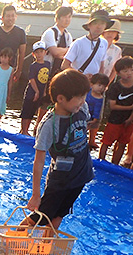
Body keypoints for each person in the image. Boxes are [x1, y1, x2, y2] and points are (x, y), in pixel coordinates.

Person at [23, 69, 93, 230]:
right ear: (60, 98)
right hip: (60, 181)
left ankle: (47, 249)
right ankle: (10, 241)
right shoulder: (49, 125)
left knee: (59, 214)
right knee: (41, 216)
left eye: (84, 96)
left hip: (81, 175)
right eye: (79, 97)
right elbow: (39, 160)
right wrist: (35, 194)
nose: (83, 101)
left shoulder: (81, 109)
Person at [36, 6, 73, 133]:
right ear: (58, 18)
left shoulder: (68, 35)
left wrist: (64, 51)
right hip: (46, 70)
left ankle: (49, 128)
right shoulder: (50, 32)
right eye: (64, 17)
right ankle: (37, 127)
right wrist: (66, 51)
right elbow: (55, 52)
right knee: (42, 100)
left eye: (69, 17)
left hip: (60, 71)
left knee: (55, 99)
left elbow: (69, 54)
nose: (67, 20)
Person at [99, 56, 133, 165]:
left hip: (129, 120)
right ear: (118, 73)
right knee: (106, 142)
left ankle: (115, 164)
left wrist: (130, 118)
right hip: (115, 119)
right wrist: (129, 107)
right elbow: (113, 106)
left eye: (132, 70)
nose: (129, 73)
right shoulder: (115, 87)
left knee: (123, 143)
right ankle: (101, 161)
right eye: (125, 71)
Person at [62, 10, 113, 79]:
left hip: (94, 84)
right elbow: (64, 65)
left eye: (102, 23)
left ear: (105, 26)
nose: (99, 26)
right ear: (89, 25)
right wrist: (81, 76)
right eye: (95, 23)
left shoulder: (104, 43)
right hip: (77, 82)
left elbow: (101, 65)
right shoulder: (78, 43)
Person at [19, 41, 51, 136]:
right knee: (27, 111)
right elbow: (31, 79)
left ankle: (29, 130)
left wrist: (44, 91)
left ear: (45, 52)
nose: (39, 54)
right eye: (37, 52)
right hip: (32, 91)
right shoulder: (34, 66)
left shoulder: (48, 64)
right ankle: (24, 130)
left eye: (41, 51)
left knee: (33, 110)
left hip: (41, 90)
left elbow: (46, 78)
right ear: (33, 54)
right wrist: (36, 91)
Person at [86, 73, 109, 149]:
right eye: (99, 85)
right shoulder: (87, 91)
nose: (101, 88)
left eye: (104, 87)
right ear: (92, 85)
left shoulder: (99, 99)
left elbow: (97, 111)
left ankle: (90, 141)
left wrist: (95, 120)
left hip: (90, 117)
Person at [102, 19, 123, 84]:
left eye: (113, 31)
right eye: (108, 31)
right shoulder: (94, 46)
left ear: (117, 34)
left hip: (104, 83)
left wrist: (107, 84)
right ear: (103, 32)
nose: (110, 33)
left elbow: (114, 70)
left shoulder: (117, 50)